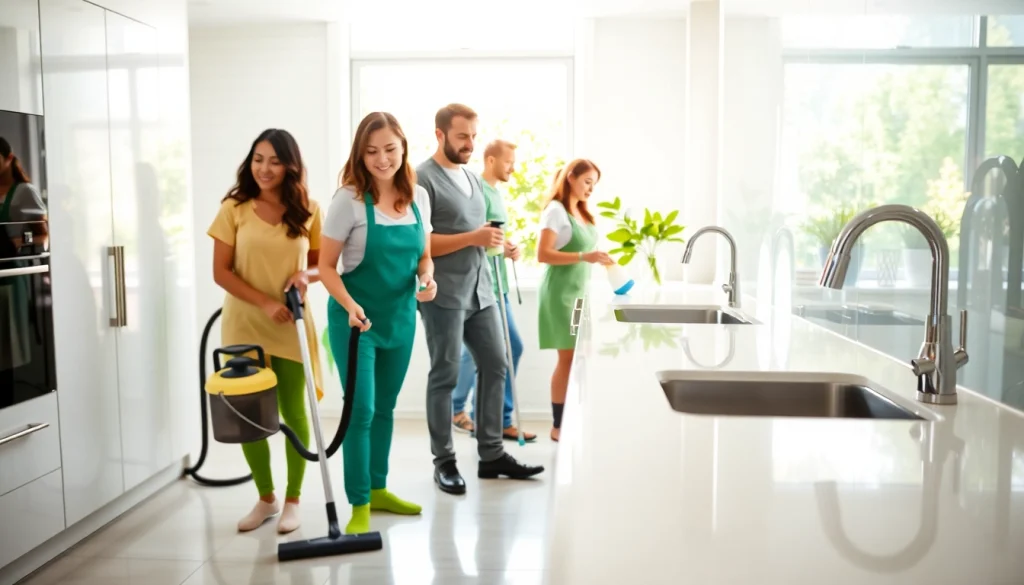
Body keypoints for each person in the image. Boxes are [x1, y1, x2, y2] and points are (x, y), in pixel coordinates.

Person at [318, 112, 437, 535]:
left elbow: (424, 256)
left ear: (403, 148)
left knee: (385, 408)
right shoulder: (348, 200)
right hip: (356, 323)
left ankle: (379, 488)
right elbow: (325, 267)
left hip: (400, 319)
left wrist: (428, 279)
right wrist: (350, 305)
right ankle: (359, 502)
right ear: (360, 154)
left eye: (389, 149)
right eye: (371, 152)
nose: (382, 159)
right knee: (361, 410)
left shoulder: (419, 197)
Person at [416, 103, 544, 495]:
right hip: (444, 294)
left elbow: (475, 233)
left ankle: (491, 454)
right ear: (440, 135)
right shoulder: (421, 179)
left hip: (482, 289)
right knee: (445, 374)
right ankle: (444, 462)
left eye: (473, 136)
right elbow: (421, 243)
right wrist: (474, 236)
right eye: (461, 136)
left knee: (497, 362)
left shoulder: (473, 178)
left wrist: (496, 241)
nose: (470, 143)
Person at [207, 128, 325, 534]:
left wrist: (305, 276)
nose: (265, 168)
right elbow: (221, 272)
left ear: (291, 165)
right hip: (245, 324)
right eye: (258, 159)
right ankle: (266, 498)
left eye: (275, 160)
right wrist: (264, 302)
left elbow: (321, 265)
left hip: (290, 324)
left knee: (293, 411)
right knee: (249, 416)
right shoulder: (234, 209)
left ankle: (293, 500)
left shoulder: (309, 209)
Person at [450, 139, 535, 443]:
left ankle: (472, 412)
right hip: (482, 286)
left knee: (484, 352)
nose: (512, 168)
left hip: (499, 285)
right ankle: (492, 417)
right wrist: (496, 245)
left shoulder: (495, 193)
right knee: (506, 349)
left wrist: (507, 247)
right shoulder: (477, 190)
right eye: (508, 162)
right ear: (490, 160)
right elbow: (473, 237)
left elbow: (492, 236)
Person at [536, 159, 613, 442]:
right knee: (567, 358)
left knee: (583, 356)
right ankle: (558, 426)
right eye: (587, 182)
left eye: (594, 184)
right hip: (561, 295)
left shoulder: (581, 212)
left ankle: (575, 417)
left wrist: (598, 258)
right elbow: (542, 254)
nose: (591, 189)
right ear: (571, 177)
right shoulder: (555, 211)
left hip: (580, 295)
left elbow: (585, 254)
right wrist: (584, 256)